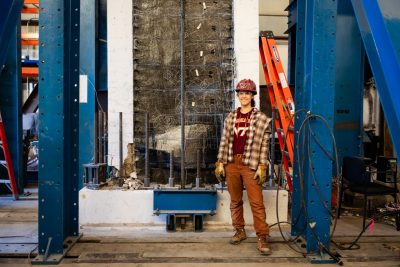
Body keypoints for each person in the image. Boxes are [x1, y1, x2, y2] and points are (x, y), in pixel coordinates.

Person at [215, 78, 271, 255]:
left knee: (257, 203)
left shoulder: (261, 118)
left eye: (247, 93)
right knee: (235, 201)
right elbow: (224, 141)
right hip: (232, 163)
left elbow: (264, 144)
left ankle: (262, 237)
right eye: (241, 93)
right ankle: (239, 231)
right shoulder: (231, 116)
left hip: (250, 164)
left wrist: (263, 165)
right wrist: (220, 162)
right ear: (238, 96)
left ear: (252, 95)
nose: (244, 96)